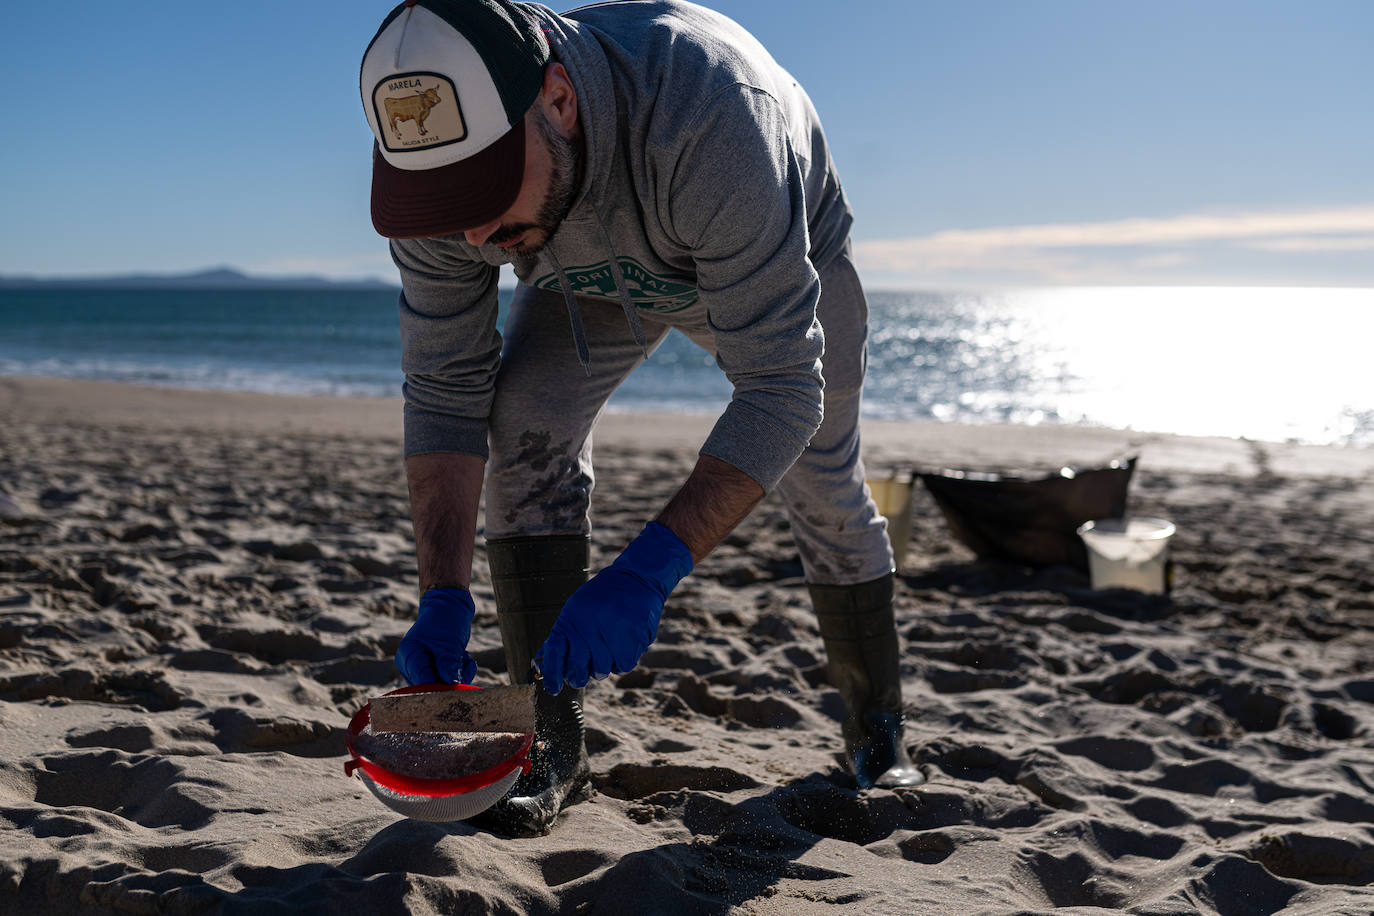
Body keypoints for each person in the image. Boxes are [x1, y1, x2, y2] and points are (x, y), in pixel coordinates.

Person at [359, 0, 923, 837]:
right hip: (583, 273)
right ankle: (553, 749)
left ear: (559, 100)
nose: (474, 228)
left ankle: (878, 734)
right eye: (446, 196)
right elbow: (445, 390)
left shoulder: (712, 116)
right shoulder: (441, 193)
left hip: (768, 249)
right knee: (523, 425)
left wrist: (647, 571)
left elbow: (782, 390)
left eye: (486, 184)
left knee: (826, 484)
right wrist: (442, 590)